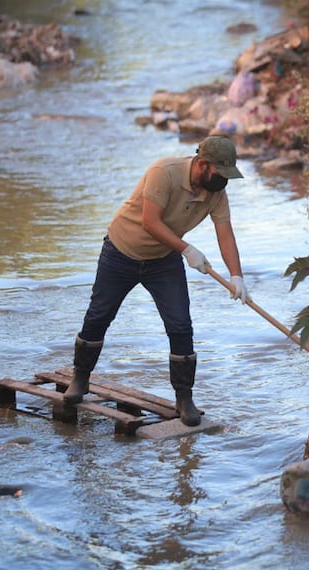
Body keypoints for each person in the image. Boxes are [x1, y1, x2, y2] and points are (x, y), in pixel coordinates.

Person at [63, 135, 250, 427]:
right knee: (99, 315)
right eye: (220, 173)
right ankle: (80, 378)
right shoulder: (164, 172)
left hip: (163, 260)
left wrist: (236, 275)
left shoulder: (216, 192)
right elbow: (150, 222)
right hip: (121, 252)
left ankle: (184, 398)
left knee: (180, 324)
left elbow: (225, 232)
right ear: (202, 164)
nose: (224, 181)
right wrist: (187, 249)